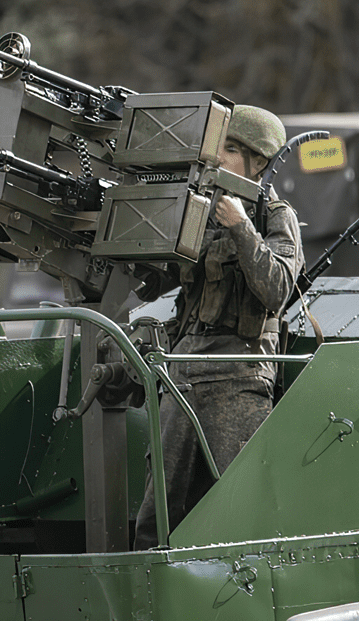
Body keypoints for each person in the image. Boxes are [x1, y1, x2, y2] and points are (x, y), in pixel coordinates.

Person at [132, 105, 304, 550]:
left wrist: (243, 228)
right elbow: (151, 282)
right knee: (157, 512)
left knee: (239, 506)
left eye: (229, 149)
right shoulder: (200, 213)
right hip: (183, 372)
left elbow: (277, 289)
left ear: (259, 162)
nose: (217, 159)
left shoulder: (273, 216)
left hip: (238, 376)